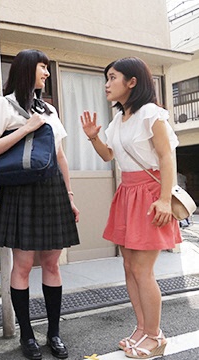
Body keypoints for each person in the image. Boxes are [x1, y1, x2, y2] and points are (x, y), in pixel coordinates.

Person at [81, 57, 181, 359]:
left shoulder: (152, 114)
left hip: (150, 195)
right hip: (127, 193)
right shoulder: (119, 120)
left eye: (112, 77)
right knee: (128, 267)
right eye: (106, 78)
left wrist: (165, 199)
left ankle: (156, 336)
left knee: (142, 269)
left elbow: (167, 158)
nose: (107, 84)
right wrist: (93, 137)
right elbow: (108, 156)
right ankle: (141, 328)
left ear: (132, 82)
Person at [0, 49, 80, 360]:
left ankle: (54, 333)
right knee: (22, 266)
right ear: (28, 69)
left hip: (51, 190)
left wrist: (69, 195)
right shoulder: (2, 104)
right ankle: (27, 335)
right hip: (20, 190)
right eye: (43, 67)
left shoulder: (48, 109)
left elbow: (60, 155)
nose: (47, 73)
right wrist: (26, 128)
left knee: (51, 264)